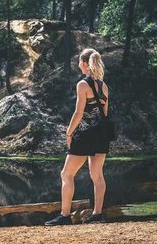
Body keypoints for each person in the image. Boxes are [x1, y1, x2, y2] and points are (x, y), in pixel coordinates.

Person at [45, 48, 110, 226]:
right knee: (97, 175)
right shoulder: (103, 86)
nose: (78, 65)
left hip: (85, 135)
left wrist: (69, 132)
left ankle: (65, 215)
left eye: (79, 63)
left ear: (83, 63)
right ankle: (97, 214)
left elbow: (79, 112)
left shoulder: (83, 85)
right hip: (101, 136)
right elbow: (104, 114)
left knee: (66, 174)